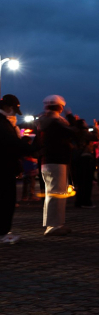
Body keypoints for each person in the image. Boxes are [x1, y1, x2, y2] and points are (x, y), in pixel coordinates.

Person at [38, 95, 77, 236]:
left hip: (48, 160)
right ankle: (54, 226)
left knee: (53, 193)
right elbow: (74, 132)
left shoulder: (45, 121)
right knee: (57, 194)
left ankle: (54, 223)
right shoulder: (56, 123)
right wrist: (72, 118)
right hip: (57, 160)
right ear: (60, 106)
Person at [0, 94, 32, 244]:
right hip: (4, 167)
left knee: (7, 200)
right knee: (6, 200)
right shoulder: (3, 124)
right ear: (8, 107)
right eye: (13, 110)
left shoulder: (5, 123)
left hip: (6, 166)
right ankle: (2, 233)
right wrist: (32, 148)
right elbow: (12, 144)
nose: (14, 115)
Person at [71, 118, 98, 209]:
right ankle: (86, 201)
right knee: (86, 181)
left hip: (76, 158)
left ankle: (78, 201)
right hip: (85, 157)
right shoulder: (84, 132)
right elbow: (96, 137)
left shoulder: (74, 132)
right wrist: (96, 128)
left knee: (79, 181)